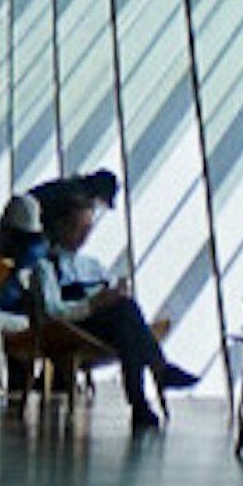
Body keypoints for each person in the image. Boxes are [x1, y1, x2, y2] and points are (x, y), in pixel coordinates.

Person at [17, 175, 196, 432]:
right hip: (72, 328)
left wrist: (114, 295)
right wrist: (94, 305)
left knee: (124, 315)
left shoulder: (92, 265)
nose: (83, 236)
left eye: (87, 230)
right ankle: (156, 373)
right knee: (124, 314)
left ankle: (142, 400)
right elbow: (52, 313)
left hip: (104, 326)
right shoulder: (45, 268)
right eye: (79, 229)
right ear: (62, 226)